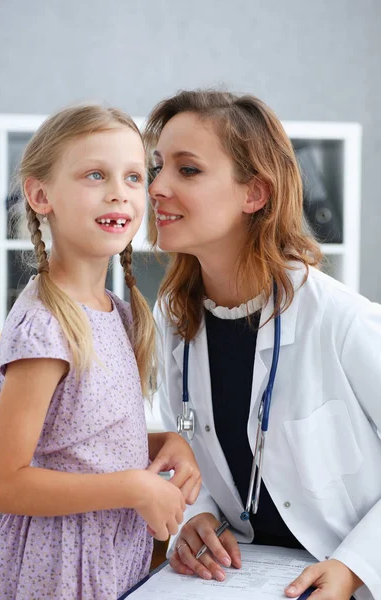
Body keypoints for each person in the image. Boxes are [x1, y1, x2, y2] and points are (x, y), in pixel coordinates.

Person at [144, 90, 381, 600]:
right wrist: (198, 511)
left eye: (187, 170)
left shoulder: (343, 321)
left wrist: (354, 567)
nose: (156, 187)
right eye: (158, 166)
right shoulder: (174, 320)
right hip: (242, 576)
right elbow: (186, 447)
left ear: (255, 193)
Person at [0, 104, 201, 600]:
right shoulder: (46, 325)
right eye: (95, 174)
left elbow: (77, 446)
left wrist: (163, 443)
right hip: (54, 574)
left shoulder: (117, 313)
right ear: (41, 195)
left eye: (133, 176)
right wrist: (135, 487)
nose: (119, 192)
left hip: (108, 564)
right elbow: (1, 484)